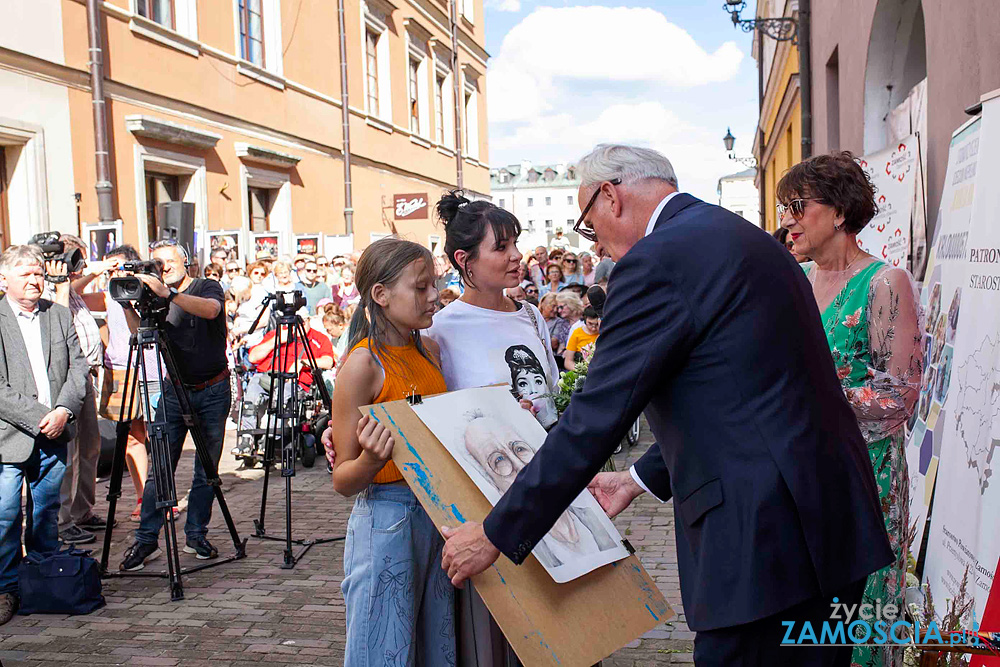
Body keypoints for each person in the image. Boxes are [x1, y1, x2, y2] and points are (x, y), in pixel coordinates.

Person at [437, 144, 893, 667]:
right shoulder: (738, 235)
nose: (600, 247)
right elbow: (740, 392)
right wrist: (635, 479)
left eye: (589, 227)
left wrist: (497, 532)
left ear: (610, 197)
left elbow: (596, 416)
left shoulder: (656, 261)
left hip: (763, 547)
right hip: (830, 524)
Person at [778, 152, 922, 667]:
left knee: (858, 622)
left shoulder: (885, 283)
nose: (786, 220)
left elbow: (898, 394)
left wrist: (808, 404)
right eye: (781, 208)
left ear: (839, 212)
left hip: (866, 480)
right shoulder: (795, 283)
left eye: (796, 205)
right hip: (800, 475)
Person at [424, 192, 560, 665]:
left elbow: (552, 400)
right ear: (464, 259)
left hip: (549, 484)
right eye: (501, 247)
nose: (517, 257)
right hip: (490, 497)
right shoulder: (441, 330)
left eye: (516, 244)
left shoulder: (530, 316)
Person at [323, 237, 454, 665]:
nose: (434, 296)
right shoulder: (362, 366)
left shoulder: (429, 351)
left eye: (433, 284)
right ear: (380, 295)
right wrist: (371, 461)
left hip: (436, 516)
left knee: (433, 645)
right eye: (420, 287)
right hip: (386, 519)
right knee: (382, 650)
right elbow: (343, 480)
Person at [119, 240, 232, 571]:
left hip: (213, 389)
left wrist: (168, 295)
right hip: (175, 388)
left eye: (169, 261)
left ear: (187, 264)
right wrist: (128, 303)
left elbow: (211, 310)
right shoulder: (154, 296)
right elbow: (142, 335)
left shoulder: (206, 286)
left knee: (206, 469)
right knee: (161, 468)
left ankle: (195, 534)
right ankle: (146, 540)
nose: (163, 267)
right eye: (158, 262)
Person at [0, 245, 89, 625]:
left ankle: (43, 577)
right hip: (9, 436)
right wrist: (44, 417)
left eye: (38, 273)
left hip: (55, 434)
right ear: (4, 280)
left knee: (46, 511)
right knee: (5, 516)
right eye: (25, 274)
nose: (35, 280)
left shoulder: (57, 315)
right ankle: (6, 588)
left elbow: (78, 368)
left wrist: (65, 411)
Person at [35, 235, 106, 547]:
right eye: (73, 257)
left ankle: (83, 510)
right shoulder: (48, 289)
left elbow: (78, 284)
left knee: (91, 447)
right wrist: (62, 282)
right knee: (69, 454)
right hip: (64, 382)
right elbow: (58, 324)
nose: (78, 264)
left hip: (85, 375)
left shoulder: (70, 287)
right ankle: (63, 522)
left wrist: (88, 272)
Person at [96, 245, 163, 522]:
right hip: (120, 371)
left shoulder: (149, 292)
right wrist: (99, 272)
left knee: (159, 435)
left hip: (151, 370)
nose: (114, 273)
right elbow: (76, 296)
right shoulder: (109, 292)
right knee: (130, 438)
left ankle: (162, 496)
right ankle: (141, 497)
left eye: (118, 268)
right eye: (110, 268)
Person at [563, 305, 600, 371]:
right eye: (590, 324)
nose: (594, 328)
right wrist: (581, 371)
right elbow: (568, 361)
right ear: (585, 319)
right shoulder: (577, 333)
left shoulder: (603, 333)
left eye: (597, 324)